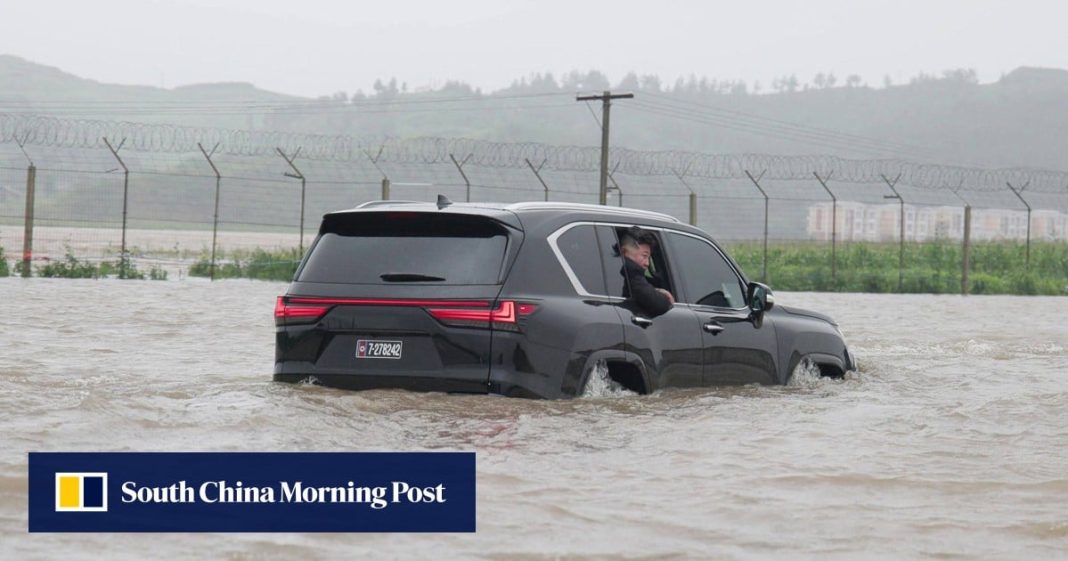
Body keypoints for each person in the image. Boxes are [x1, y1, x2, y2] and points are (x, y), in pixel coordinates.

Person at [618, 227, 674, 318]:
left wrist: (655, 291)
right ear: (624, 252)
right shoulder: (631, 271)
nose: (647, 263)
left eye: (649, 258)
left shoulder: (617, 273)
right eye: (644, 256)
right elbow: (658, 304)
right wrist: (665, 298)